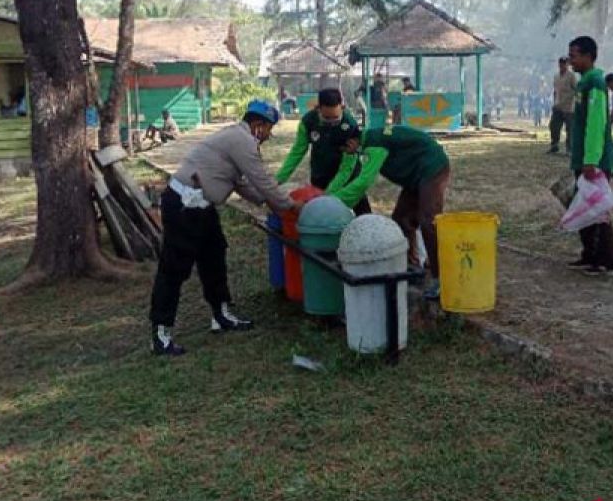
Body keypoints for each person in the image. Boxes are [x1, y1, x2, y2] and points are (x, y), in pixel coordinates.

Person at [147, 100, 297, 356]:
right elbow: (262, 180)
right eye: (269, 129)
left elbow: (240, 184)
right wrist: (289, 205)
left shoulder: (235, 137)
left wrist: (267, 203)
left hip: (201, 206)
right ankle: (161, 333)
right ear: (258, 125)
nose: (269, 136)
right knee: (174, 269)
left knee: (214, 257)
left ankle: (221, 315)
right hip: (186, 204)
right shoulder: (243, 141)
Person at [326, 124, 450, 300]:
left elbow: (363, 182)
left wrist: (334, 202)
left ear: (352, 141)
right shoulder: (363, 144)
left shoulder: (374, 145)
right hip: (415, 175)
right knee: (401, 219)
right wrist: (326, 196)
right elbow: (345, 173)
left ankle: (441, 279)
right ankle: (413, 269)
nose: (346, 153)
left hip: (432, 167)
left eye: (345, 148)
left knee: (428, 221)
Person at [567, 36, 613, 275]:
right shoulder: (584, 83)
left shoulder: (596, 83)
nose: (571, 61)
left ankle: (606, 259)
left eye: (574, 56)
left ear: (588, 57)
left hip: (594, 160)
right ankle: (589, 254)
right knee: (584, 205)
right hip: (583, 158)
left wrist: (591, 159)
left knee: (597, 210)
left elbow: (596, 123)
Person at [276, 88, 371, 215]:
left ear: (342, 107)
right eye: (327, 118)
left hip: (348, 179)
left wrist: (327, 195)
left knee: (364, 217)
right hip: (320, 176)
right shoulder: (308, 122)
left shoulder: (351, 126)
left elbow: (346, 168)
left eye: (335, 118)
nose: (331, 122)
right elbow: (297, 152)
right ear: (318, 108)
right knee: (321, 218)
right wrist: (279, 179)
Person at [548, 57, 576, 154]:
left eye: (564, 63)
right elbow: (555, 91)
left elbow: (576, 90)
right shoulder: (556, 76)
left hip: (569, 108)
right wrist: (554, 102)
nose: (562, 65)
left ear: (567, 65)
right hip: (558, 106)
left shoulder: (571, 76)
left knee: (570, 129)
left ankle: (570, 149)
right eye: (561, 63)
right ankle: (554, 145)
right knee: (553, 126)